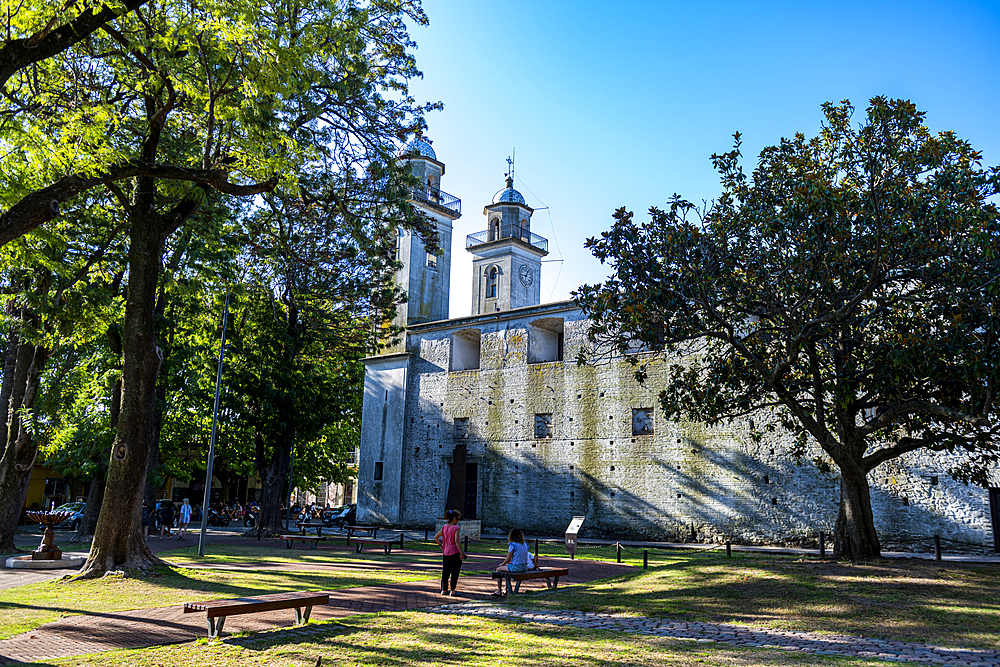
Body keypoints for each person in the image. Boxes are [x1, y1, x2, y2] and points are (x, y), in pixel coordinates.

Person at [434, 509, 466, 596]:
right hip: (454, 552)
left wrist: (441, 546)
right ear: (454, 518)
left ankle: (444, 589)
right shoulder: (456, 528)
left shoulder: (444, 527)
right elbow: (456, 541)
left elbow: (436, 537)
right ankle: (453, 590)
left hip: (445, 551)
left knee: (445, 571)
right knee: (455, 571)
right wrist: (461, 552)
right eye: (458, 519)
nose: (459, 520)